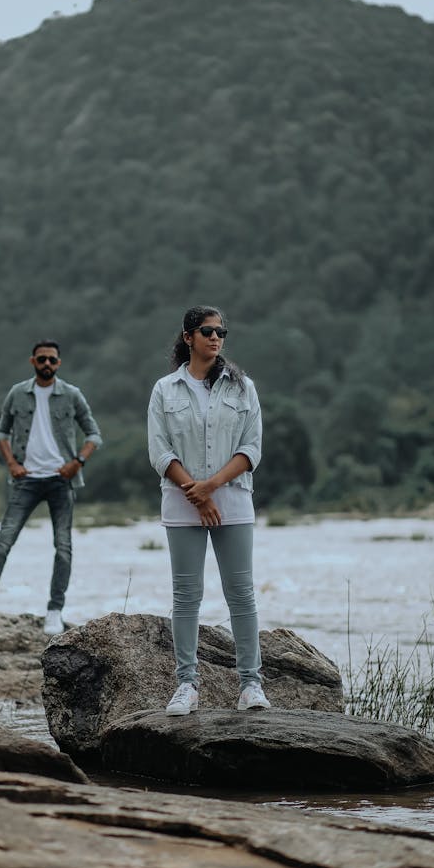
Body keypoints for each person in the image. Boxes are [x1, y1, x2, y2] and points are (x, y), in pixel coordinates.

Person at [147, 306, 270, 714]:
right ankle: (186, 685)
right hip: (182, 506)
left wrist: (211, 488)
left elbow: (251, 448)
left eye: (221, 332)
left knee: (242, 595)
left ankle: (251, 686)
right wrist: (194, 494)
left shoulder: (242, 388)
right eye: (207, 331)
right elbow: (160, 451)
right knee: (186, 597)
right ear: (188, 337)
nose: (216, 338)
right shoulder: (165, 390)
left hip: (232, 502)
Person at [0, 339, 102, 634]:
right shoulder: (18, 394)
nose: (47, 364)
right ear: (32, 361)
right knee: (3, 541)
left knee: (63, 547)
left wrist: (78, 461)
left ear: (59, 363)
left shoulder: (71, 395)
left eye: (52, 360)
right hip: (25, 480)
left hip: (61, 480)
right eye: (41, 359)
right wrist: (12, 464)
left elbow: (94, 434)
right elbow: (1, 433)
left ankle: (55, 610)